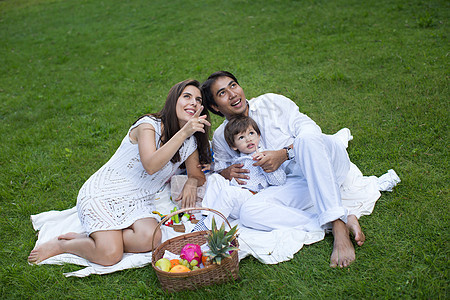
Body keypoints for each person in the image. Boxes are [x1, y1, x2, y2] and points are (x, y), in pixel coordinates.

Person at [28, 79, 211, 266]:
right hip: (104, 192)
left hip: (138, 200)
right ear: (173, 101)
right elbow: (151, 165)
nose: (193, 103)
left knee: (151, 238)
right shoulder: (148, 125)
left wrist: (192, 181)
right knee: (109, 255)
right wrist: (183, 133)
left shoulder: (190, 142)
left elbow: (197, 174)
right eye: (186, 97)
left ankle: (96, 238)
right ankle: (64, 245)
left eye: (198, 100)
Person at [201, 71, 374, 268]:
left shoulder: (271, 103)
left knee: (306, 139)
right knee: (250, 212)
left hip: (327, 163)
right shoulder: (222, 137)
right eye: (222, 93)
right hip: (295, 183)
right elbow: (219, 169)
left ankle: (337, 225)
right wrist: (227, 171)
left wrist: (284, 154)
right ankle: (340, 220)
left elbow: (310, 131)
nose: (232, 94)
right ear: (215, 106)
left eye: (233, 85)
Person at [200, 115, 286, 229]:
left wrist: (266, 167)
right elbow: (223, 166)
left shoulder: (264, 156)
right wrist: (211, 166)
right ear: (233, 146)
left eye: (251, 133)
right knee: (214, 178)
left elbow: (279, 181)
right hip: (234, 200)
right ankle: (206, 215)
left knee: (228, 192)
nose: (248, 139)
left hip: (251, 198)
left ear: (258, 135)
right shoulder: (237, 159)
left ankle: (210, 228)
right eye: (241, 137)